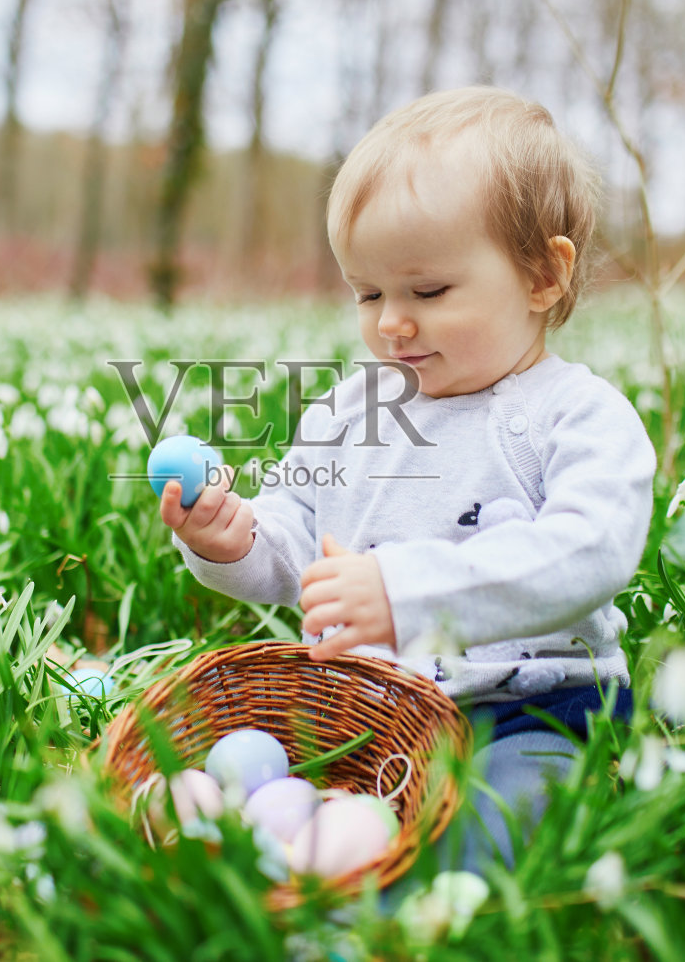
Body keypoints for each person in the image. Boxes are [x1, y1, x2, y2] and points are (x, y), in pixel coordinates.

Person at [157, 86, 655, 870]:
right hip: (368, 710)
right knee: (244, 778)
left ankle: (400, 917)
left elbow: (589, 552)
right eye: (367, 292)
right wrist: (235, 537)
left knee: (502, 817)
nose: (391, 321)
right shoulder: (351, 409)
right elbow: (299, 540)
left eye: (427, 291)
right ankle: (274, 875)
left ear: (542, 275)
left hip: (529, 711)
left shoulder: (577, 416)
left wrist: (401, 591)